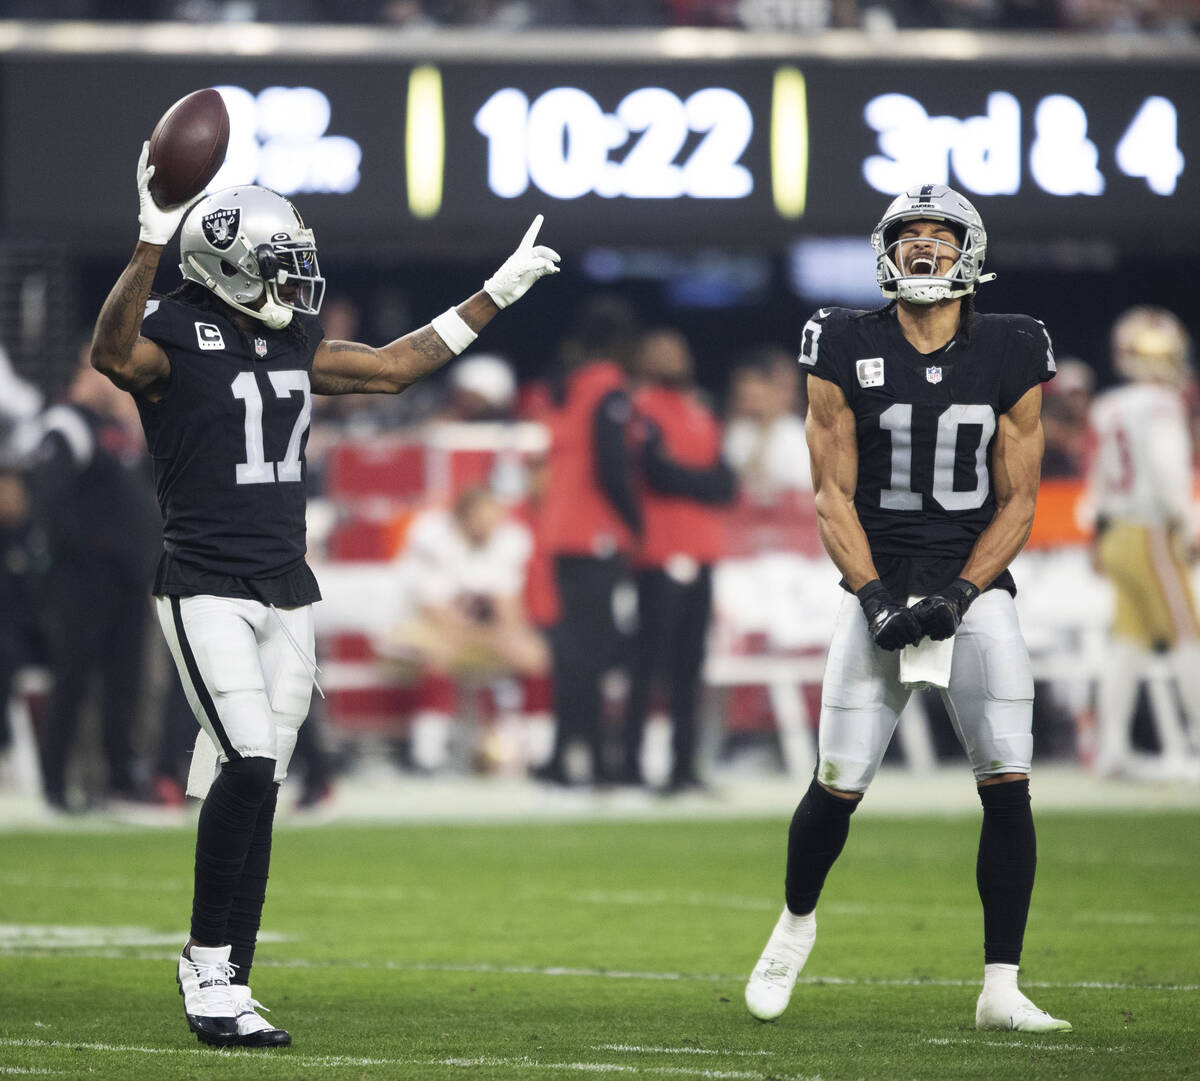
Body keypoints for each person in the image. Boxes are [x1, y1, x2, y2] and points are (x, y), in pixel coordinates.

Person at [89, 142, 558, 1048]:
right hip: (205, 583)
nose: (296, 284)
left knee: (261, 784)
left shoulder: (292, 335)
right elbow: (110, 352)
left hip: (287, 586)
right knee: (252, 761)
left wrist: (496, 292)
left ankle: (233, 972)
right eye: (279, 265)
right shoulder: (176, 330)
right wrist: (150, 236)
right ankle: (206, 963)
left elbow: (392, 367)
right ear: (224, 266)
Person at [744, 184, 1070, 1033]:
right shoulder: (842, 341)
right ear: (887, 249)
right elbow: (831, 494)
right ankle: (793, 926)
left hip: (975, 584)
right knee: (837, 783)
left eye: (941, 235)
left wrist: (962, 594)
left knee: (1008, 785)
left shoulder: (1014, 344)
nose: (926, 248)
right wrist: (875, 598)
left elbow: (1021, 500)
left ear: (971, 251)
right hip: (878, 581)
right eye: (911, 234)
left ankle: (1001, 984)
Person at [29, 349, 161, 810]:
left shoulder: (116, 430)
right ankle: (55, 785)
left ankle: (121, 783)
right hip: (84, 581)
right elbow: (50, 502)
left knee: (125, 684)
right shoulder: (65, 425)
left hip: (127, 580)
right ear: (88, 369)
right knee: (73, 680)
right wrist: (93, 553)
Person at [1085, 306, 1200, 779]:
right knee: (1188, 638)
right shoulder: (1160, 405)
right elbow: (1167, 468)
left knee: (1128, 644)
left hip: (1116, 532)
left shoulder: (1107, 405)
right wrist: (1189, 521)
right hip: (1150, 531)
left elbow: (1095, 481)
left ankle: (1111, 749)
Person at [533, 296, 643, 786]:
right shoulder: (608, 389)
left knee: (573, 656)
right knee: (595, 657)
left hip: (561, 532)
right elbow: (612, 467)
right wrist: (636, 522)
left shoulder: (568, 385)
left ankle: (562, 757)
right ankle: (598, 763)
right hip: (595, 534)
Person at [621, 328, 736, 790]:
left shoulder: (699, 410)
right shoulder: (640, 409)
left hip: (703, 550)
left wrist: (691, 478)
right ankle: (628, 765)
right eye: (662, 349)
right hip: (657, 552)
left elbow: (727, 482)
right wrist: (700, 481)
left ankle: (683, 767)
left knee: (691, 665)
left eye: (677, 349)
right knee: (647, 666)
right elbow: (656, 472)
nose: (674, 356)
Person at [376, 485, 549, 771]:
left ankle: (540, 752)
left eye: (492, 519)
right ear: (462, 518)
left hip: (481, 629)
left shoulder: (510, 540)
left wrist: (509, 637)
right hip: (423, 623)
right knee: (439, 654)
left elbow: (509, 607)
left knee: (534, 655)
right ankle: (427, 756)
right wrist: (481, 636)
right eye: (480, 519)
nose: (487, 527)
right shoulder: (433, 537)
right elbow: (434, 608)